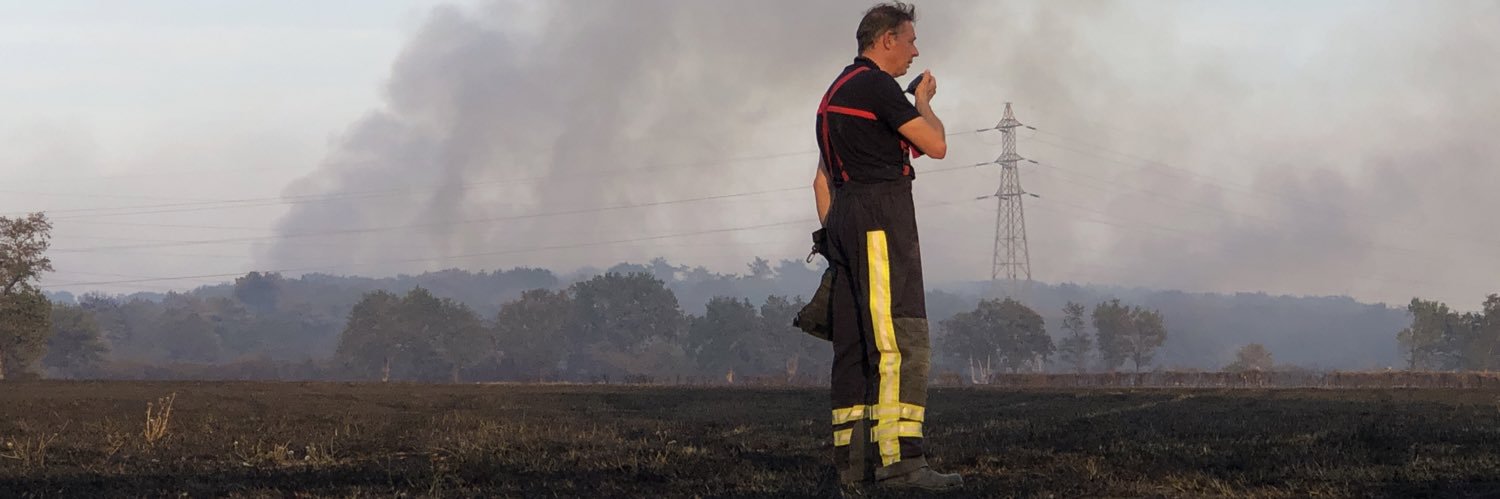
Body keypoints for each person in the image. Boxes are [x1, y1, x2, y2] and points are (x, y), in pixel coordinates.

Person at [808, 2, 960, 491]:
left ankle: (852, 470)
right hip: (881, 221)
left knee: (854, 348)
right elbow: (935, 145)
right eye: (911, 41)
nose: (916, 52)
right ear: (885, 41)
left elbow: (819, 182)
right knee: (899, 340)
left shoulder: (834, 93)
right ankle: (901, 465)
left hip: (844, 222)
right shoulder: (878, 88)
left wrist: (837, 239)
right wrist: (924, 103)